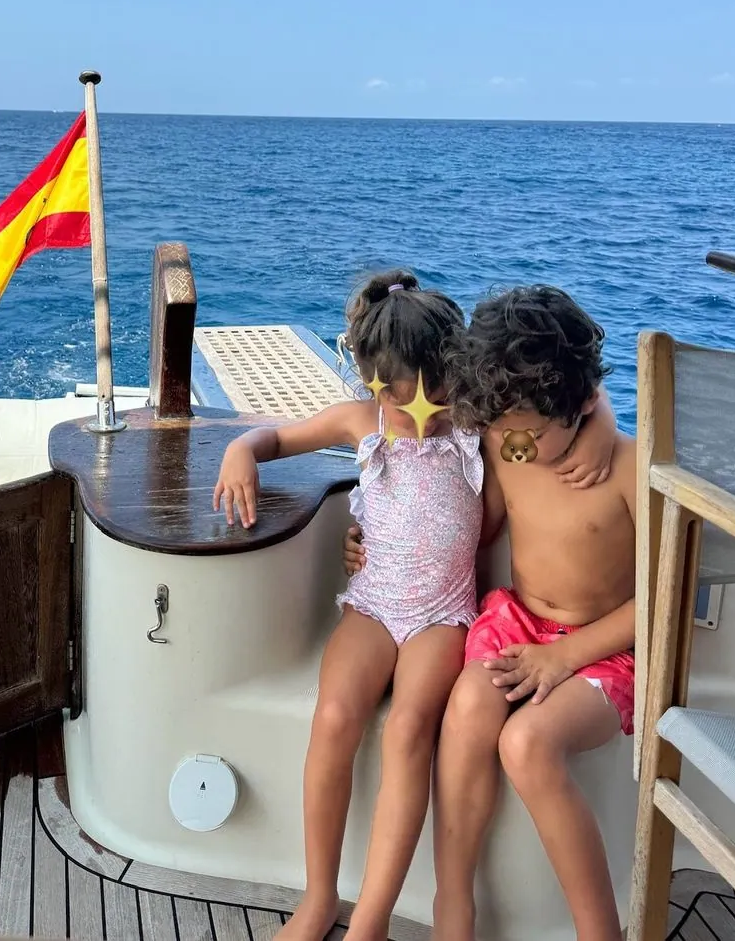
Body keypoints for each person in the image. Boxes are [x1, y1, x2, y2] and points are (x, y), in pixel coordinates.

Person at [213, 270, 616, 941]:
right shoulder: (360, 422)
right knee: (335, 714)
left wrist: (600, 423)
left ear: (457, 378)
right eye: (398, 401)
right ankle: (318, 901)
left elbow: (558, 415)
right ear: (373, 383)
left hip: (443, 615)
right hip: (372, 604)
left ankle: (369, 921)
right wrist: (239, 451)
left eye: (431, 399)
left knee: (407, 732)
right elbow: (274, 439)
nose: (415, 416)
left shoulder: (479, 432)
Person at [344, 284, 634, 941]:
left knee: (525, 742)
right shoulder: (510, 436)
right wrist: (370, 537)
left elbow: (663, 599)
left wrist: (563, 656)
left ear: (583, 403)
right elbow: (459, 524)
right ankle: (454, 904)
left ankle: (600, 931)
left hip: (603, 648)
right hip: (516, 623)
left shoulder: (623, 468)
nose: (506, 446)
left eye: (523, 436)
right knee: (468, 710)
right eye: (498, 430)